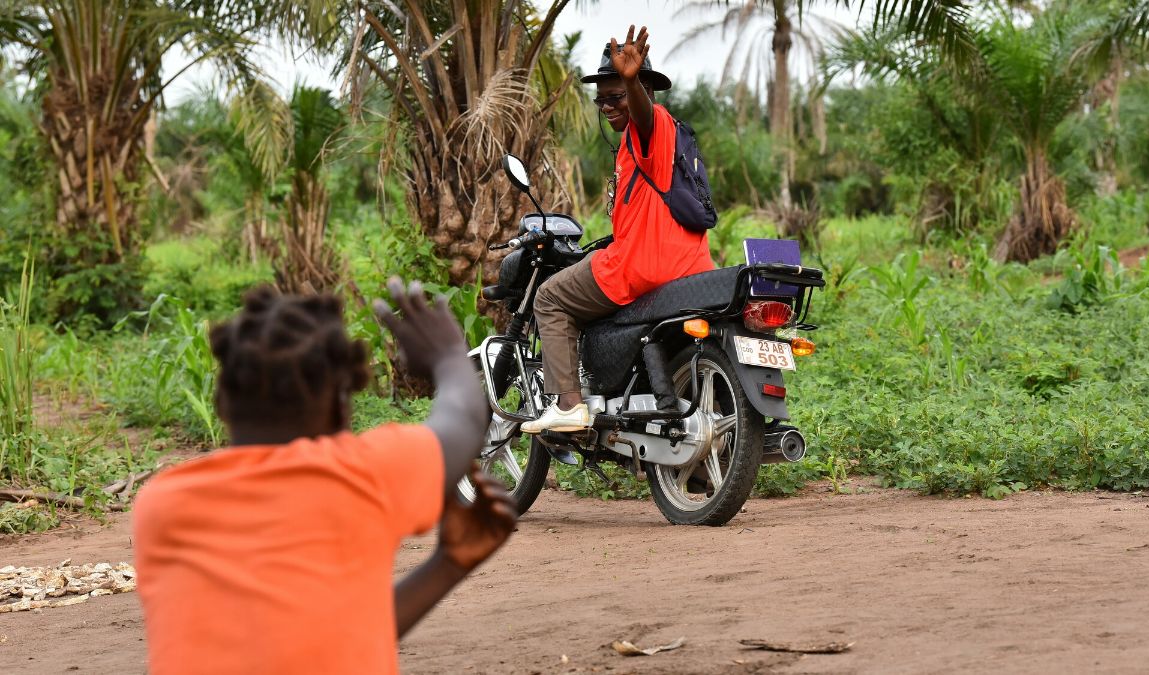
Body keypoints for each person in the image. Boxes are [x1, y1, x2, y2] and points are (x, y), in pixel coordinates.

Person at [133, 280, 514, 674]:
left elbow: (317, 640)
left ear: (222, 402)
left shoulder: (162, 505)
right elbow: (465, 418)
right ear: (340, 405)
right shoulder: (359, 477)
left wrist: (448, 565)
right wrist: (450, 355)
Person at [520, 25, 715, 434]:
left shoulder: (652, 128)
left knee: (551, 297)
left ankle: (569, 404)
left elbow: (643, 117)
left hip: (644, 267)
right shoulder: (660, 144)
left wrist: (630, 81)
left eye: (617, 96)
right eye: (601, 99)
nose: (608, 106)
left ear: (643, 88)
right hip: (690, 267)